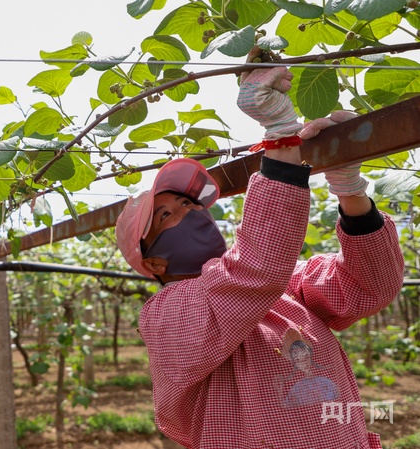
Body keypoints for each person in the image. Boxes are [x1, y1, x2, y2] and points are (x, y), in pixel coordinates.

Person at [115, 55, 404, 448]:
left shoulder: (283, 289)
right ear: (153, 262)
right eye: (166, 215)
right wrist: (281, 136)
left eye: (189, 203)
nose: (191, 210)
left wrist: (350, 191)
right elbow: (252, 272)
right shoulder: (164, 317)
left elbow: (368, 287)